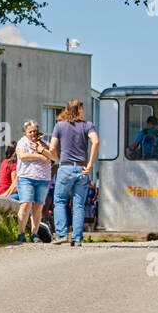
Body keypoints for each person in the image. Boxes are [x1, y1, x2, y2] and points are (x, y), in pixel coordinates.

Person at [48, 99, 99, 245]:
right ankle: (77, 238)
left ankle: (62, 234)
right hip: (82, 168)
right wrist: (90, 163)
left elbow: (52, 148)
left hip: (65, 167)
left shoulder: (59, 126)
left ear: (66, 109)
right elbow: (96, 141)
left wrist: (58, 159)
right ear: (80, 109)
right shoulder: (87, 125)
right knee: (78, 204)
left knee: (59, 201)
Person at [14, 120, 55, 242]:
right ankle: (21, 233)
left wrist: (42, 150)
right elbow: (23, 155)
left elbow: (53, 157)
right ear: (25, 132)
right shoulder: (22, 142)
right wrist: (40, 156)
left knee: (38, 207)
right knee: (26, 204)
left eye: (35, 131)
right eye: (30, 131)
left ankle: (34, 233)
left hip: (43, 178)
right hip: (27, 177)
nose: (33, 134)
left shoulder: (44, 143)